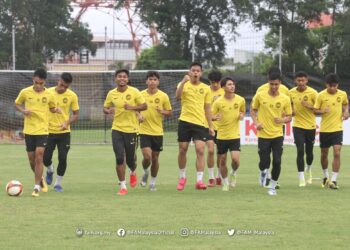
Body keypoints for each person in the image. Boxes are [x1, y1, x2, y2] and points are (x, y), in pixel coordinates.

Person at [14, 68, 60, 197]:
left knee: (39, 156)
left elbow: (51, 108)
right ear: (33, 79)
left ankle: (36, 187)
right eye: (36, 82)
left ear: (45, 82)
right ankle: (40, 179)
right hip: (29, 130)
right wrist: (23, 111)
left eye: (41, 83)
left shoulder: (49, 95)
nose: (38, 85)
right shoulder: (25, 92)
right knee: (31, 159)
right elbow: (17, 103)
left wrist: (56, 110)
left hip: (43, 129)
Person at [103, 69, 147, 195]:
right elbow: (105, 107)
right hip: (117, 129)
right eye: (119, 76)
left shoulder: (134, 92)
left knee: (130, 160)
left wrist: (132, 107)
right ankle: (123, 186)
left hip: (132, 130)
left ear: (127, 79)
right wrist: (108, 111)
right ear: (115, 79)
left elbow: (144, 106)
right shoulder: (111, 93)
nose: (122, 78)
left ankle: (133, 171)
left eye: (124, 77)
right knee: (119, 157)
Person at [251, 72, 292, 195]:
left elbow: (289, 116)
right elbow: (253, 110)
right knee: (264, 162)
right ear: (268, 82)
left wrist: (283, 120)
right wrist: (256, 123)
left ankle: (272, 187)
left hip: (278, 134)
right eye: (271, 84)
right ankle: (263, 171)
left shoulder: (285, 98)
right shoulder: (260, 95)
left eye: (276, 84)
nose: (274, 87)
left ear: (280, 83)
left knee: (277, 161)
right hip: (263, 134)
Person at [175, 62, 215, 191]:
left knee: (200, 150)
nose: (196, 73)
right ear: (189, 72)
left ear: (201, 73)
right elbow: (177, 97)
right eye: (193, 70)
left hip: (200, 123)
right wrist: (182, 82)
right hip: (185, 122)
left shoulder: (206, 88)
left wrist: (211, 126)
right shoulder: (184, 85)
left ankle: (199, 180)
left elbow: (207, 108)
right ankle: (182, 177)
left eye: (198, 71)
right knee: (182, 149)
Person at [43, 73, 79, 192]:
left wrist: (66, 123)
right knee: (45, 158)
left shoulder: (72, 96)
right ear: (58, 81)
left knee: (63, 158)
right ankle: (50, 169)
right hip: (48, 131)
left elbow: (75, 114)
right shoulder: (47, 92)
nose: (63, 88)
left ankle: (58, 183)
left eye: (66, 87)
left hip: (64, 132)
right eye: (62, 85)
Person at [137, 71, 172, 191]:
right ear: (146, 81)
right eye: (150, 79)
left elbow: (169, 112)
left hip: (157, 132)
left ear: (158, 82)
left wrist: (163, 111)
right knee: (147, 157)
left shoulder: (163, 96)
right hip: (144, 131)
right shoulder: (140, 95)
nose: (152, 81)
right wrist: (138, 115)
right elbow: (134, 108)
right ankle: (145, 171)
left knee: (155, 158)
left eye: (155, 79)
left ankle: (152, 183)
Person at [314, 73, 349, 189]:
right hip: (324, 129)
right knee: (324, 154)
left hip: (337, 129)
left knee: (337, 152)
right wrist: (322, 111)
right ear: (326, 85)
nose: (333, 88)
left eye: (335, 86)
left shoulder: (343, 94)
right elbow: (315, 110)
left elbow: (345, 104)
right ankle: (326, 176)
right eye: (331, 86)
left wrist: (346, 112)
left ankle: (334, 180)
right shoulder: (321, 95)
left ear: (337, 85)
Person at [212, 77, 245, 191]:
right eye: (229, 84)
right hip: (222, 136)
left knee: (235, 160)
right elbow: (210, 116)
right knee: (222, 161)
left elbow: (242, 111)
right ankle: (225, 182)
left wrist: (241, 115)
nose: (232, 86)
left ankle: (234, 173)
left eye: (233, 84)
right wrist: (214, 117)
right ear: (223, 87)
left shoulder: (240, 100)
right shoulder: (218, 102)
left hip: (234, 135)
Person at [289, 71, 318, 187]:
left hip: (310, 126)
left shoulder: (313, 93)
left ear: (307, 81)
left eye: (303, 80)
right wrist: (291, 110)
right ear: (295, 81)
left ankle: (309, 169)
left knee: (309, 152)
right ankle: (301, 178)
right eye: (298, 80)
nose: (301, 83)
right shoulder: (290, 92)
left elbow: (319, 108)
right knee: (300, 150)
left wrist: (309, 106)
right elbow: (288, 104)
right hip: (298, 126)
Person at [206, 70, 225, 186]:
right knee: (211, 150)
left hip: (222, 127)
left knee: (221, 154)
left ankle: (219, 175)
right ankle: (211, 177)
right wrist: (211, 118)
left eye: (217, 82)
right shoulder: (205, 91)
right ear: (210, 82)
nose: (215, 85)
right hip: (209, 126)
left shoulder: (224, 91)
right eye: (213, 82)